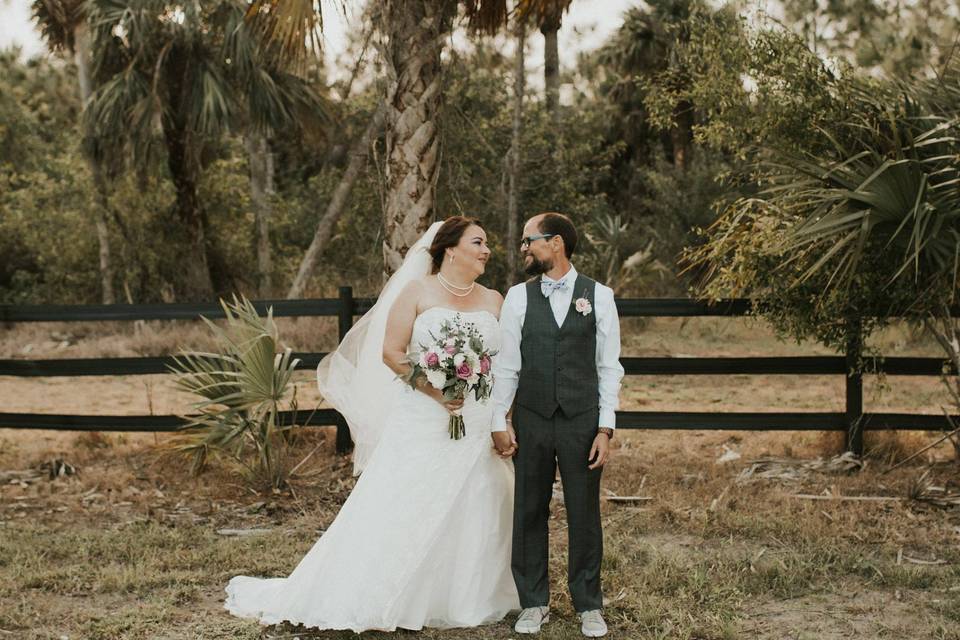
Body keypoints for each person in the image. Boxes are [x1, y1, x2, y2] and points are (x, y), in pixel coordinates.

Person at [224, 216, 520, 631]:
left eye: (486, 243)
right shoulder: (416, 292)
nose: (487, 250)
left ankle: (470, 594)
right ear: (450, 248)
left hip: (477, 418)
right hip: (425, 414)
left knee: (483, 495)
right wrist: (438, 392)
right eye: (478, 242)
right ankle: (387, 590)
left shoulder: (493, 299)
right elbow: (392, 353)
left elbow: (506, 364)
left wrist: (501, 418)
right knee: (409, 497)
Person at [491, 212, 624, 638]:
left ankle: (588, 605)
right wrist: (500, 419)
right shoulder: (516, 297)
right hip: (531, 418)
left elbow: (609, 367)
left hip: (582, 422)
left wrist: (605, 429)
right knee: (529, 508)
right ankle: (533, 602)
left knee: (583, 512)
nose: (524, 248)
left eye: (530, 240)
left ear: (557, 243)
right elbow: (508, 366)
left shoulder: (599, 296)